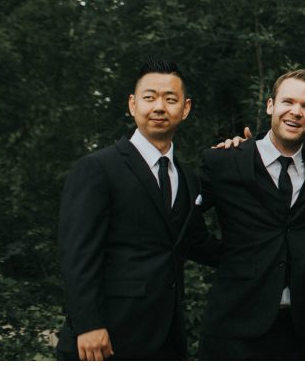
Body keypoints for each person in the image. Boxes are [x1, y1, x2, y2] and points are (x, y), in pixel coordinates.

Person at [56, 60, 219, 360]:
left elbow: (198, 244)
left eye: (170, 99)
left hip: (167, 339)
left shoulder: (188, 179)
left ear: (185, 109)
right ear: (132, 104)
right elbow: (77, 253)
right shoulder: (98, 168)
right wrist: (88, 324)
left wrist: (244, 161)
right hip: (106, 337)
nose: (159, 107)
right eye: (149, 97)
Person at [197, 69, 305, 360]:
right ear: (271, 105)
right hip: (231, 326)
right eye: (288, 102)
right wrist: (225, 256)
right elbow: (182, 221)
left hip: (293, 331)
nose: (296, 112)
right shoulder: (226, 161)